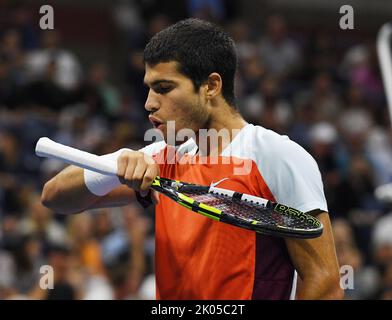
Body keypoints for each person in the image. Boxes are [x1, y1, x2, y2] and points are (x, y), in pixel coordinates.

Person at [41, 18, 343, 300]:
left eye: (164, 88)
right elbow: (55, 196)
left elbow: (325, 281)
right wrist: (117, 165)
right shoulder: (162, 159)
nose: (149, 103)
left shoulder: (277, 156)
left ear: (211, 86)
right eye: (148, 88)